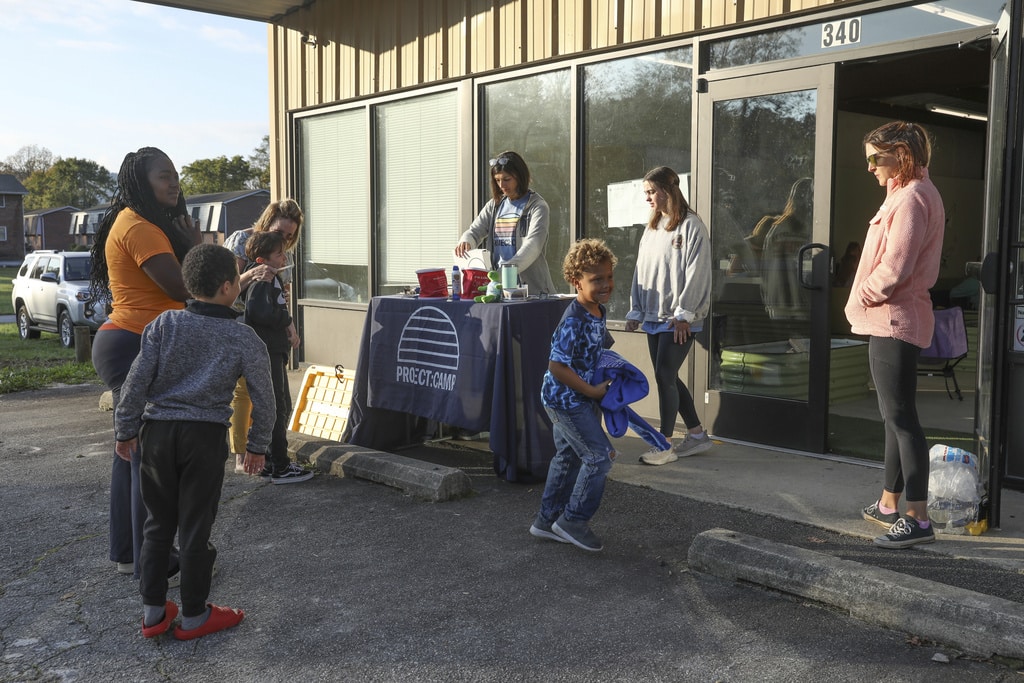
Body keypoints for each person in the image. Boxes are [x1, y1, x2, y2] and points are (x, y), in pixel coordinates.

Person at [114, 244, 275, 639]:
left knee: (157, 525)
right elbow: (265, 399)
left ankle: (153, 613)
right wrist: (257, 445)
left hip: (156, 433)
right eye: (238, 279)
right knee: (195, 528)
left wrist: (125, 428)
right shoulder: (244, 338)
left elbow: (136, 381)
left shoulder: (164, 324)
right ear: (227, 287)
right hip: (203, 438)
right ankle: (195, 614)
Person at [90, 147, 200, 581]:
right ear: (141, 182)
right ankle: (150, 560)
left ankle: (129, 552)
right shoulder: (140, 226)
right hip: (136, 343)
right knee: (146, 456)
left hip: (128, 340)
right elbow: (181, 287)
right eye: (162, 176)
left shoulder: (136, 221)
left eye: (175, 175)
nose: (173, 183)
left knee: (129, 451)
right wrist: (193, 246)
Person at [847, 121, 945, 549]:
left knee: (903, 421)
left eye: (874, 158)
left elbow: (896, 267)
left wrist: (864, 295)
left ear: (900, 154)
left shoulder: (911, 198)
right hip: (891, 319)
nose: (869, 168)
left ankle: (918, 518)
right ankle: (889, 505)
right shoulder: (907, 193)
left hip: (893, 319)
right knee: (893, 417)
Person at [529, 238, 618, 552]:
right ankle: (573, 521)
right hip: (566, 400)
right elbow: (557, 365)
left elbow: (601, 347)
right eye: (597, 280)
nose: (606, 284)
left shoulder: (597, 309)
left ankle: (546, 521)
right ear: (575, 282)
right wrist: (592, 390)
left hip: (577, 399)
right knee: (599, 457)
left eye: (609, 276)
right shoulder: (574, 320)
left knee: (568, 456)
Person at [625, 166, 713, 466]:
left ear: (668, 190)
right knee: (668, 376)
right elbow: (641, 271)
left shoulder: (692, 227)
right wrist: (636, 310)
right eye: (645, 193)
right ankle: (697, 435)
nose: (647, 197)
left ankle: (663, 444)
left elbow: (697, 273)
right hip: (653, 317)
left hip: (679, 319)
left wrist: (685, 314)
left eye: (651, 191)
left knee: (664, 375)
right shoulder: (652, 228)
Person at [223, 199, 304, 474]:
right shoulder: (241, 241)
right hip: (237, 321)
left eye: (290, 237)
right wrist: (252, 274)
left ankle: (263, 456)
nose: (284, 240)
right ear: (266, 223)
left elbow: (282, 297)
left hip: (271, 333)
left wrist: (289, 324)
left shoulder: (284, 255)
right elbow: (226, 288)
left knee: (272, 397)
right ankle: (241, 455)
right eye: (280, 232)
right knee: (245, 391)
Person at [242, 230, 313, 484]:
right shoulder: (262, 279)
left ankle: (271, 462)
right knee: (277, 405)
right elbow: (259, 312)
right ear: (262, 261)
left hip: (272, 349)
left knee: (276, 404)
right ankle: (280, 465)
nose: (284, 258)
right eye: (278, 254)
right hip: (268, 350)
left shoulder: (271, 278)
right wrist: (285, 319)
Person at [454, 150, 556, 295]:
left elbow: (533, 246)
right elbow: (475, 231)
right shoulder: (494, 205)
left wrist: (506, 271)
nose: (502, 185)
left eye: (507, 179)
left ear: (520, 177)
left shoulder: (537, 206)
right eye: (497, 180)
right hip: (499, 289)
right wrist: (467, 240)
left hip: (533, 292)